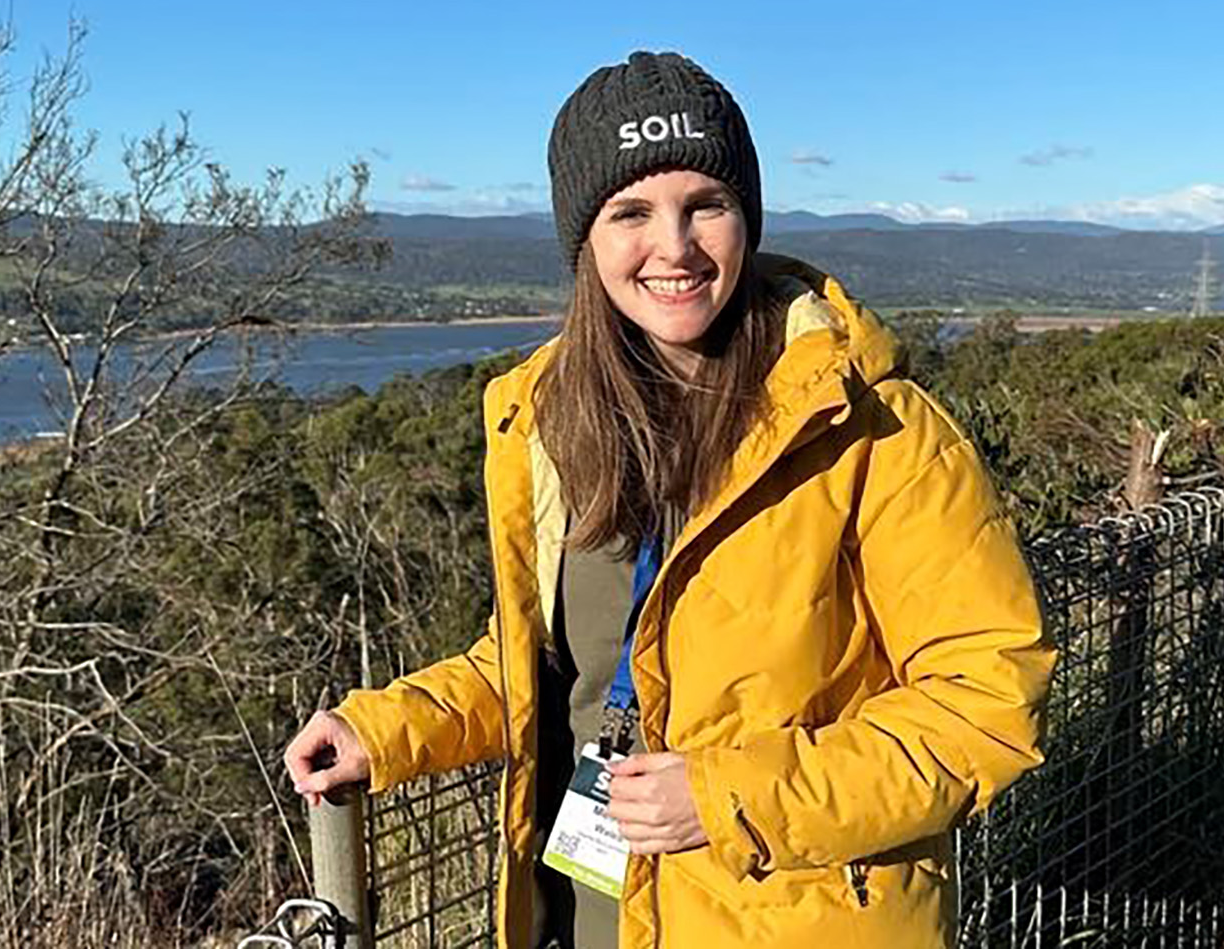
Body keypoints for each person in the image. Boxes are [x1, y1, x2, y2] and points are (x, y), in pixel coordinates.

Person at [284, 51, 1054, 949]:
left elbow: (985, 702)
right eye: (631, 213)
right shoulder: (550, 421)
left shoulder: (871, 426)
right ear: (585, 241)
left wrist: (730, 797)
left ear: (748, 218)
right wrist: (387, 727)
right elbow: (544, 666)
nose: (675, 248)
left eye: (707, 206)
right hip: (582, 918)